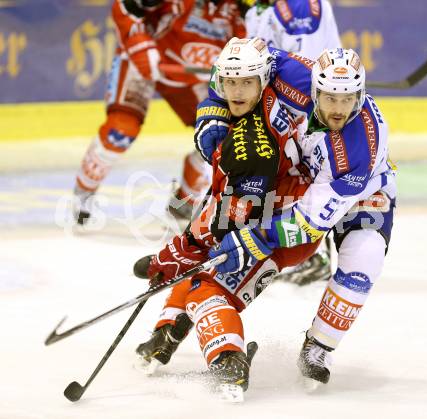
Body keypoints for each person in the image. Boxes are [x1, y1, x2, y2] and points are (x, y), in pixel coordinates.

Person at [133, 37, 322, 401]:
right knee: (200, 264)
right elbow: (225, 205)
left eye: (246, 82)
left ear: (262, 82)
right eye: (230, 82)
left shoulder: (252, 146)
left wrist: (173, 254)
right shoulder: (253, 104)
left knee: (208, 287)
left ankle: (228, 359)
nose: (236, 91)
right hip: (263, 207)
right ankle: (167, 332)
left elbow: (227, 219)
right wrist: (209, 111)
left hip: (277, 229)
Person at [205, 47, 397, 389]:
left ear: (360, 95)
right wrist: (210, 112)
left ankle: (318, 346)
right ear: (314, 89)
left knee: (363, 262)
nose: (338, 109)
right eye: (329, 98)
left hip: (361, 195)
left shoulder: (360, 148)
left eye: (348, 99)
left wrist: (256, 236)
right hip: (301, 176)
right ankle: (186, 311)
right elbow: (239, 57)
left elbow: (307, 222)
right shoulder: (294, 72)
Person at [72, 0, 246, 224]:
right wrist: (139, 45)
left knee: (224, 137)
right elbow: (126, 7)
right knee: (120, 130)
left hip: (196, 77)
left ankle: (184, 203)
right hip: (143, 61)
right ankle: (83, 193)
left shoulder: (247, 9)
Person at [245, 0, 342, 285]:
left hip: (309, 110)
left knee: (304, 173)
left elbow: (307, 73)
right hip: (288, 105)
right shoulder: (260, 9)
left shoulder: (300, 5)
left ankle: (314, 255)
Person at [245, 0, 341, 60]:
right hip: (271, 79)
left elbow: (305, 61)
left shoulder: (303, 5)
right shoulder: (257, 8)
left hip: (299, 83)